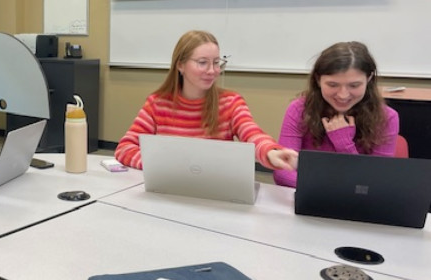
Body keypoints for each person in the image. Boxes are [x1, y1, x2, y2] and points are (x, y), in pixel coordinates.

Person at [114, 30, 298, 171]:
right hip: (169, 189)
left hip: (215, 192)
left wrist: (270, 152)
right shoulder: (157, 103)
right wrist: (159, 166)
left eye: (216, 62)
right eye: (202, 62)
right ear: (180, 65)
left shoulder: (231, 103)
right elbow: (124, 148)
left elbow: (253, 135)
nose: (212, 71)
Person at [273, 42, 399, 187]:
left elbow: (376, 182)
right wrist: (324, 191)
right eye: (332, 85)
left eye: (354, 85)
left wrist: (344, 144)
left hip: (356, 204)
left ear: (369, 79)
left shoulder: (386, 117)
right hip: (309, 197)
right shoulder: (299, 109)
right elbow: (283, 171)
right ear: (318, 79)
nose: (343, 95)